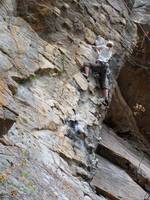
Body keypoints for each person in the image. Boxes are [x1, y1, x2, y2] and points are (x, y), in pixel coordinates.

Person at [83, 40, 114, 105]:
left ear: (107, 44)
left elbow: (96, 47)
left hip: (100, 64)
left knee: (87, 63)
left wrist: (93, 46)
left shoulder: (103, 46)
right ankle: (105, 98)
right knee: (104, 81)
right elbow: (102, 56)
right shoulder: (110, 52)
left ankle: (86, 74)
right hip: (105, 66)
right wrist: (98, 52)